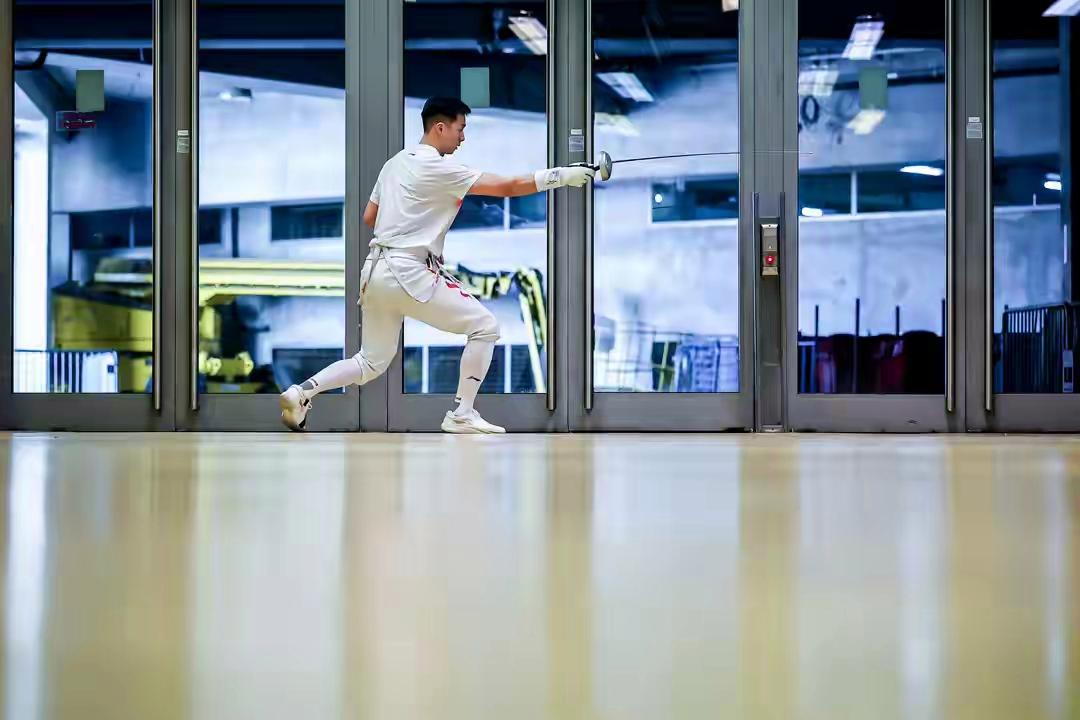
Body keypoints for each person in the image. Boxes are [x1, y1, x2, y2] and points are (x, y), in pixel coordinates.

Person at [279, 97, 594, 433]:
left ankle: (302, 392)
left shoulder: (393, 164)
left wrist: (416, 220)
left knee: (370, 361)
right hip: (409, 271)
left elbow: (370, 217)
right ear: (440, 128)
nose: (463, 138)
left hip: (375, 272)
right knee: (485, 327)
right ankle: (462, 414)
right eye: (460, 129)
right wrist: (563, 175)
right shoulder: (441, 168)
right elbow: (507, 186)